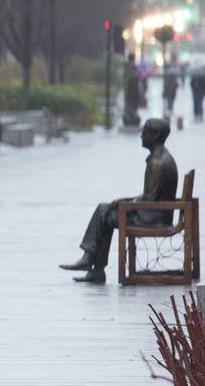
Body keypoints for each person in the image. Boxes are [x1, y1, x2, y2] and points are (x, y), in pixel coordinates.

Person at [59, 117, 178, 284]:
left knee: (105, 212)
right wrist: (124, 201)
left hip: (153, 218)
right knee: (106, 210)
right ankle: (94, 267)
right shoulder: (161, 157)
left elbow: (148, 200)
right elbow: (149, 196)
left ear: (156, 134)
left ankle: (91, 262)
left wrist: (125, 204)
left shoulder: (158, 162)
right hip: (156, 213)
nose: (141, 135)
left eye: (144, 132)